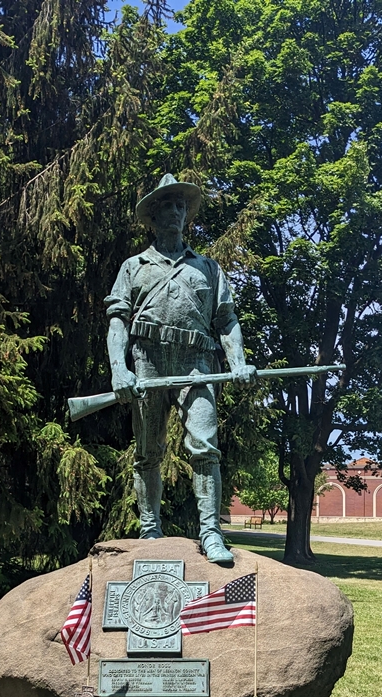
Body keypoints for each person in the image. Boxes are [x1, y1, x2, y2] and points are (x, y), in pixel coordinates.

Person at [104, 174, 256, 564]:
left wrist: (238, 363)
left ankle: (210, 532)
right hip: (147, 362)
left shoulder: (207, 268)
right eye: (167, 205)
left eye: (181, 205)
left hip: (197, 365)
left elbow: (227, 320)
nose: (175, 211)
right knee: (148, 452)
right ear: (153, 216)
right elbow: (117, 321)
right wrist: (119, 371)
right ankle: (150, 531)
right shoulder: (133, 267)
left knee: (205, 448)